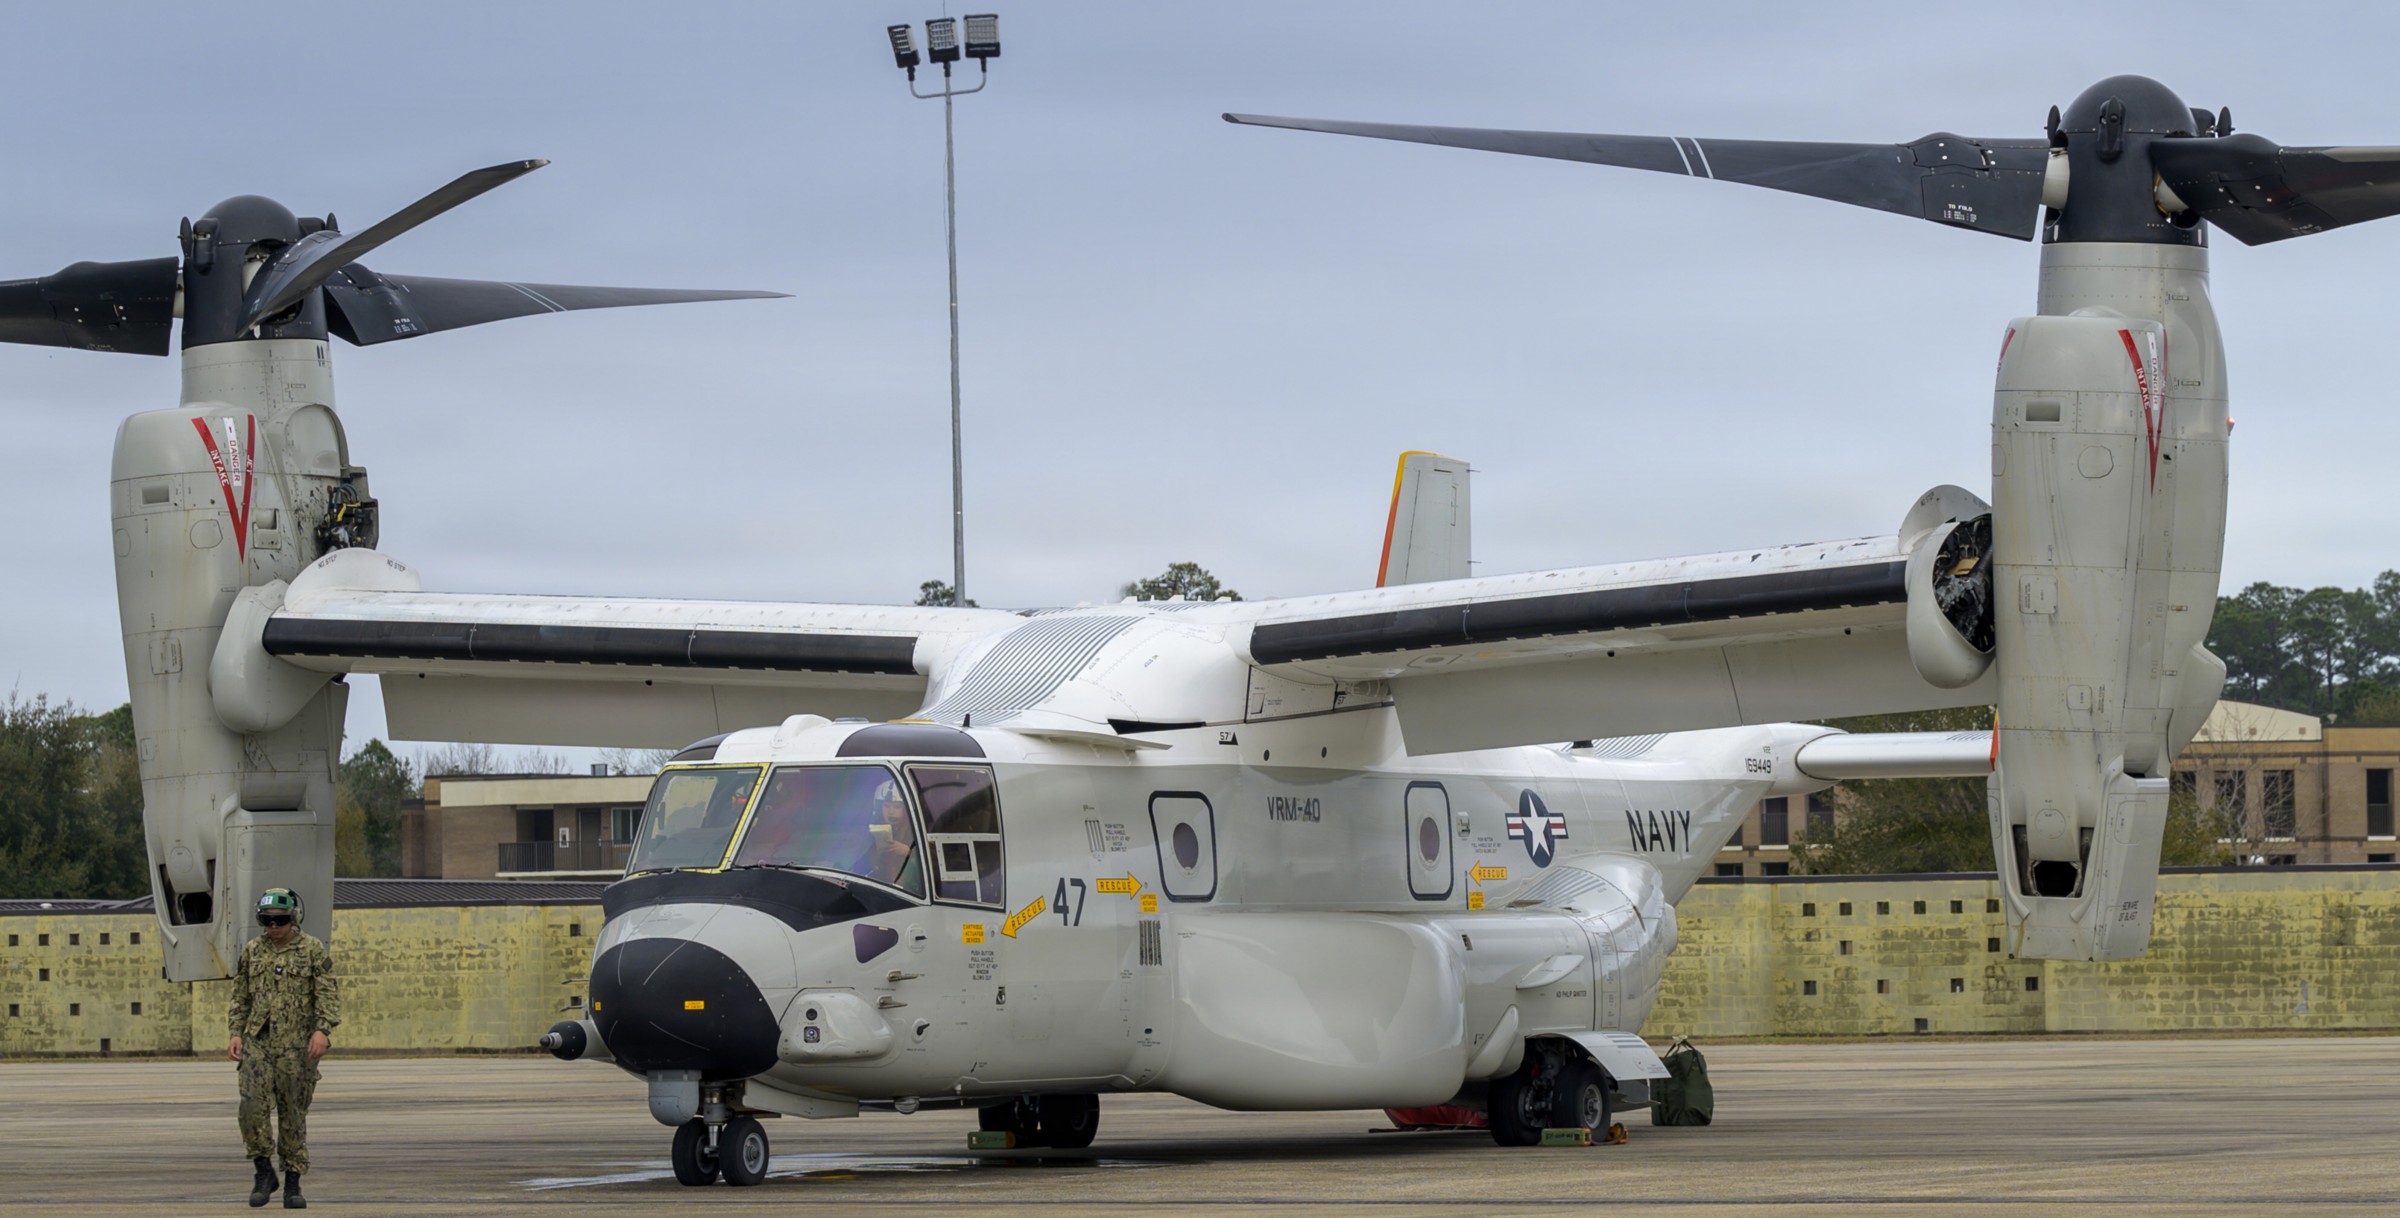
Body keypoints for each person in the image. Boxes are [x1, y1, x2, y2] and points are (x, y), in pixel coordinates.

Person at [227, 888, 341, 1209]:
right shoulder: (253, 951)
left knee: (293, 1115)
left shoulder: (312, 951)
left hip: (297, 1047)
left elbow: (328, 995)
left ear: (294, 918)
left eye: (280, 920)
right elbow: (240, 997)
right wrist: (236, 1032)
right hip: (258, 1044)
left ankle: (293, 1182)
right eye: (267, 920)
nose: (273, 927)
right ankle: (263, 1172)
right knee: (251, 1108)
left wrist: (322, 1030)